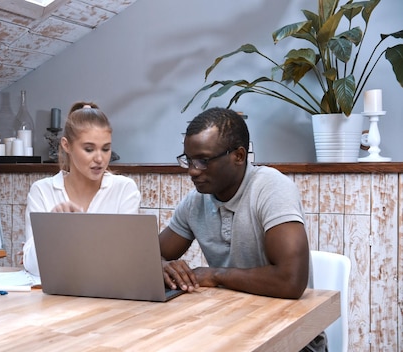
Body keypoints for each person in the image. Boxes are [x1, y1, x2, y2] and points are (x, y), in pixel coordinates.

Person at [159, 107, 326, 351]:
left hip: (293, 340)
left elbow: (291, 281)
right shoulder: (196, 201)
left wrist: (216, 275)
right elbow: (149, 256)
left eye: (203, 160)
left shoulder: (271, 188)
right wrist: (163, 266)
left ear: (239, 156)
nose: (193, 170)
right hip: (231, 329)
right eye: (189, 159)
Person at [21, 101, 141, 277]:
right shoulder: (41, 191)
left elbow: (124, 261)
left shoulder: (124, 189)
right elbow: (33, 267)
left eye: (106, 149)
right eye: (89, 149)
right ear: (66, 145)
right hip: (56, 299)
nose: (100, 158)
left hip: (109, 298)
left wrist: (72, 242)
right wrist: (53, 228)